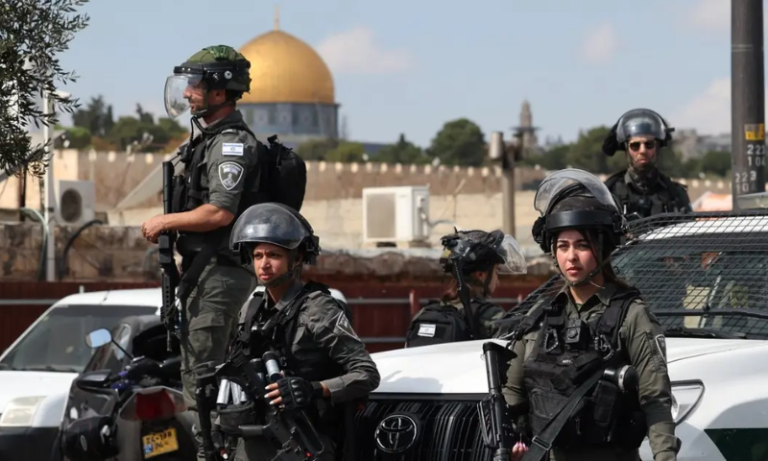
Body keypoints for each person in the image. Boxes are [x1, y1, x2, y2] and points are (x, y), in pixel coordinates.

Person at [502, 168, 681, 461]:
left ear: (602, 248)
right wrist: (510, 441)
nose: (571, 256)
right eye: (563, 246)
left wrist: (665, 457)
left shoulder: (631, 314)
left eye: (582, 245)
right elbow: (512, 393)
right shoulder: (541, 315)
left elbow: (655, 399)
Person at [139, 44, 264, 451]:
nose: (188, 92)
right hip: (203, 272)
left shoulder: (230, 144)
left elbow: (220, 213)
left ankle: (215, 452)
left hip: (221, 273)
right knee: (198, 374)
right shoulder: (204, 141)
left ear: (219, 91)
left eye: (195, 84)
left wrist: (165, 222)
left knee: (206, 381)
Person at [224, 202, 381, 461]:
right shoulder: (251, 309)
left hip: (304, 438)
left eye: (274, 255)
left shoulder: (317, 308)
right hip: (254, 439)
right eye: (258, 255)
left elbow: (366, 374)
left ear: (296, 259)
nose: (264, 264)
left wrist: (314, 389)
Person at [404, 229, 528, 348]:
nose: (498, 281)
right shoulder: (491, 316)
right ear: (481, 275)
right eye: (497, 271)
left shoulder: (424, 314)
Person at [602, 108, 692, 220]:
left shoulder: (675, 194)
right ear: (626, 148)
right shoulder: (608, 194)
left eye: (649, 144)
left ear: (657, 147)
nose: (643, 151)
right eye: (635, 145)